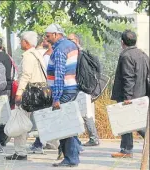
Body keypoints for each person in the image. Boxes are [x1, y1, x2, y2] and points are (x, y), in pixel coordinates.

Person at [45, 23, 81, 167]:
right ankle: (73, 155)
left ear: (55, 34)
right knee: (69, 123)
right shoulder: (71, 45)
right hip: (72, 88)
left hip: (64, 90)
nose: (46, 39)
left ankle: (70, 158)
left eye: (48, 36)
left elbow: (59, 75)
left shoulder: (60, 50)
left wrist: (56, 98)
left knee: (64, 125)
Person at [6, 31, 46, 161]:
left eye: (21, 41)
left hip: (29, 93)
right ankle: (60, 145)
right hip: (40, 92)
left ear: (26, 43)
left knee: (21, 121)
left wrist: (19, 93)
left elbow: (26, 76)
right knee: (42, 121)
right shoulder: (38, 54)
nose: (20, 43)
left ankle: (20, 151)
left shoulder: (28, 56)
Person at [110, 30, 148, 158]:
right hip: (142, 93)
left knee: (128, 122)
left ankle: (126, 150)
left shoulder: (126, 56)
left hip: (129, 95)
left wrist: (127, 98)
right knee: (135, 122)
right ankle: (126, 149)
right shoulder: (143, 54)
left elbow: (128, 78)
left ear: (122, 42)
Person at [67, 33, 101, 147]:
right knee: (84, 113)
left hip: (81, 88)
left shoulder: (78, 54)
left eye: (70, 39)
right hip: (83, 88)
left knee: (86, 114)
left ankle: (93, 138)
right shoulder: (81, 53)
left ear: (77, 41)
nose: (68, 42)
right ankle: (88, 138)